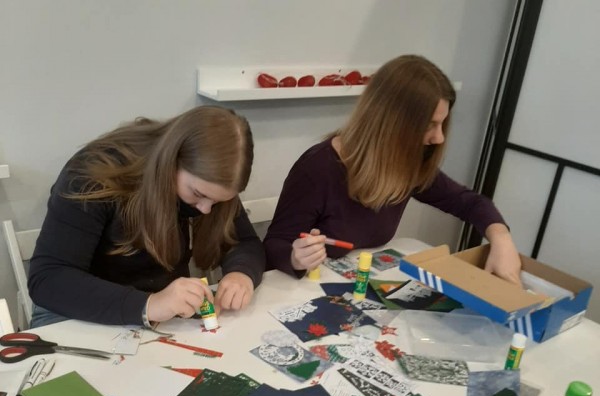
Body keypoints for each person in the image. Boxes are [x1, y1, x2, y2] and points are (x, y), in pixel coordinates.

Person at [263, 55, 521, 284]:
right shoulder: (317, 168)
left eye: (442, 124)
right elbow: (275, 245)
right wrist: (296, 258)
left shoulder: (407, 164)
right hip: (311, 287)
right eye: (430, 125)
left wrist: (501, 239)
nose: (439, 137)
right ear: (392, 123)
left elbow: (468, 202)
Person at [28, 106, 265, 328]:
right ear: (171, 162)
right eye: (198, 194)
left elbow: (244, 242)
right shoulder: (92, 175)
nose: (205, 209)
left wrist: (241, 273)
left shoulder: (210, 185)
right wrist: (149, 305)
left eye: (217, 202)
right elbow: (48, 279)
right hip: (75, 315)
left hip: (158, 318)